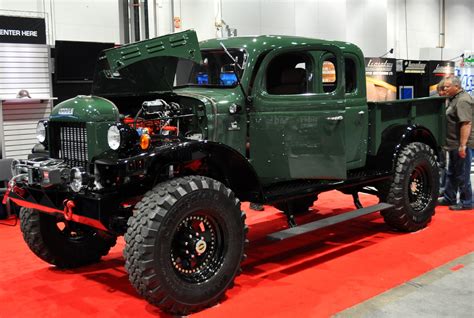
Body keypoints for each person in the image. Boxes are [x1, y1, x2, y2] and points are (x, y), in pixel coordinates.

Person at [438, 76, 474, 210]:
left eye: (447, 86)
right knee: (452, 173)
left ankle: (467, 202)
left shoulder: (463, 100)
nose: (445, 89)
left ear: (457, 87)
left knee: (462, 174)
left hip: (461, 144)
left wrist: (463, 145)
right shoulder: (455, 99)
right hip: (453, 144)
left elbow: (466, 124)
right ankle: (449, 198)